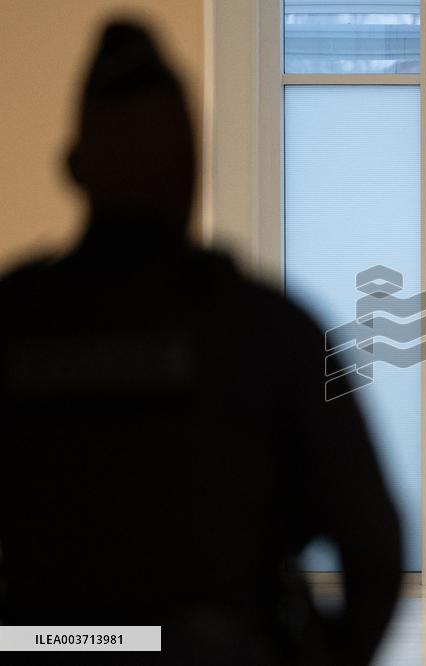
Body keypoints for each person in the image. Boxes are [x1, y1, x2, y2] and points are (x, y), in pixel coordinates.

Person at [0, 21, 401, 664]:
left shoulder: (17, 323)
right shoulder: (266, 330)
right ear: (192, 166)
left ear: (73, 168)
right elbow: (373, 544)